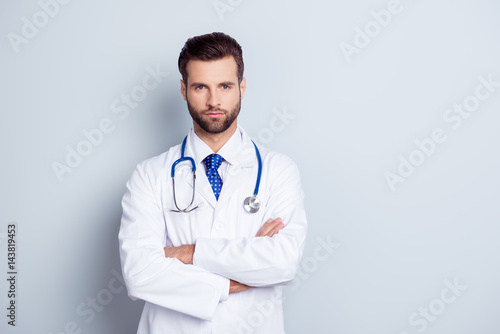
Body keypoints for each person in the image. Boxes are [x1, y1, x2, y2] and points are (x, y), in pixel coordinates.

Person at [118, 32, 308, 333]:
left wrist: (190, 253)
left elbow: (283, 261)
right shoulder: (150, 175)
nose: (213, 100)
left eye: (225, 86)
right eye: (200, 87)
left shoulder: (278, 171)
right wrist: (230, 278)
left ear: (242, 87)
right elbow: (140, 273)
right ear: (183, 90)